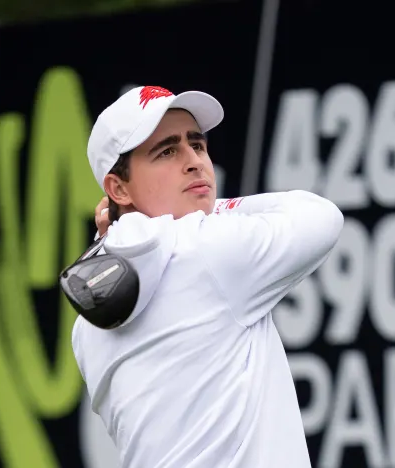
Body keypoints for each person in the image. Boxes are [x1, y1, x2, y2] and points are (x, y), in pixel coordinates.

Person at [72, 85, 344, 468]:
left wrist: (117, 231)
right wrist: (217, 209)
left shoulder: (85, 325)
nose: (194, 161)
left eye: (197, 145)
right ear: (118, 188)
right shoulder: (207, 248)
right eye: (167, 151)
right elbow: (322, 216)